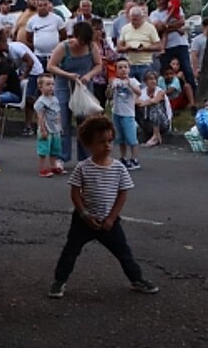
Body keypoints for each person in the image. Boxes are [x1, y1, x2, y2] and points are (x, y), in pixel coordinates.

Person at [47, 116, 159, 298]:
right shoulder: (83, 167)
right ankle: (59, 281)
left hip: (109, 221)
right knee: (70, 252)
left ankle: (137, 279)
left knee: (124, 252)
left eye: (110, 141)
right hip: (83, 221)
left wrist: (111, 218)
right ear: (88, 144)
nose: (107, 146)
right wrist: (84, 214)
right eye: (101, 142)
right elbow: (75, 192)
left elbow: (122, 194)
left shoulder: (119, 168)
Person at [46, 20, 104, 168]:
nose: (82, 44)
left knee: (84, 123)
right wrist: (67, 74)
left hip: (83, 86)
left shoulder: (92, 47)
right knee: (63, 122)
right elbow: (51, 66)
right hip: (64, 85)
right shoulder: (64, 47)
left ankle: (85, 157)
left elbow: (98, 65)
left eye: (85, 41)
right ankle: (61, 157)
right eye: (80, 40)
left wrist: (89, 75)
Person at [150, 0, 195, 92]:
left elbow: (182, 22)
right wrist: (176, 28)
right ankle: (165, 94)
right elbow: (158, 28)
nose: (160, 1)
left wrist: (167, 27)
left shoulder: (175, 7)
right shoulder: (154, 14)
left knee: (187, 69)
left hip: (180, 44)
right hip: (166, 46)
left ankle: (193, 92)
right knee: (165, 71)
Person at [108, 58, 143, 170]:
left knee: (131, 138)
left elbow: (139, 92)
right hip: (117, 112)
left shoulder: (132, 81)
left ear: (129, 69)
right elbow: (108, 95)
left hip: (128, 113)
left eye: (125, 67)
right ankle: (123, 157)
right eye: (120, 67)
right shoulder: (115, 81)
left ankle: (134, 158)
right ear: (116, 70)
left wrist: (129, 85)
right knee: (120, 137)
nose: (123, 70)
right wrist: (110, 88)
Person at [117, 4, 162, 82]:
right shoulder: (125, 28)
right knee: (128, 89)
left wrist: (145, 48)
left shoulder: (150, 28)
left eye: (137, 20)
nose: (134, 22)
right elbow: (119, 48)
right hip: (129, 65)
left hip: (145, 64)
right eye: (132, 20)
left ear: (142, 18)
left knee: (144, 88)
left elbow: (159, 46)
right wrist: (127, 48)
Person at [138, 68, 170, 147]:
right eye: (150, 79)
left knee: (154, 105)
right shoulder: (141, 92)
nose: (153, 81)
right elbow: (135, 101)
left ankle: (156, 135)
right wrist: (145, 102)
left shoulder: (160, 91)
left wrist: (144, 103)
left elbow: (155, 100)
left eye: (155, 79)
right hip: (146, 122)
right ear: (145, 81)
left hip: (163, 123)